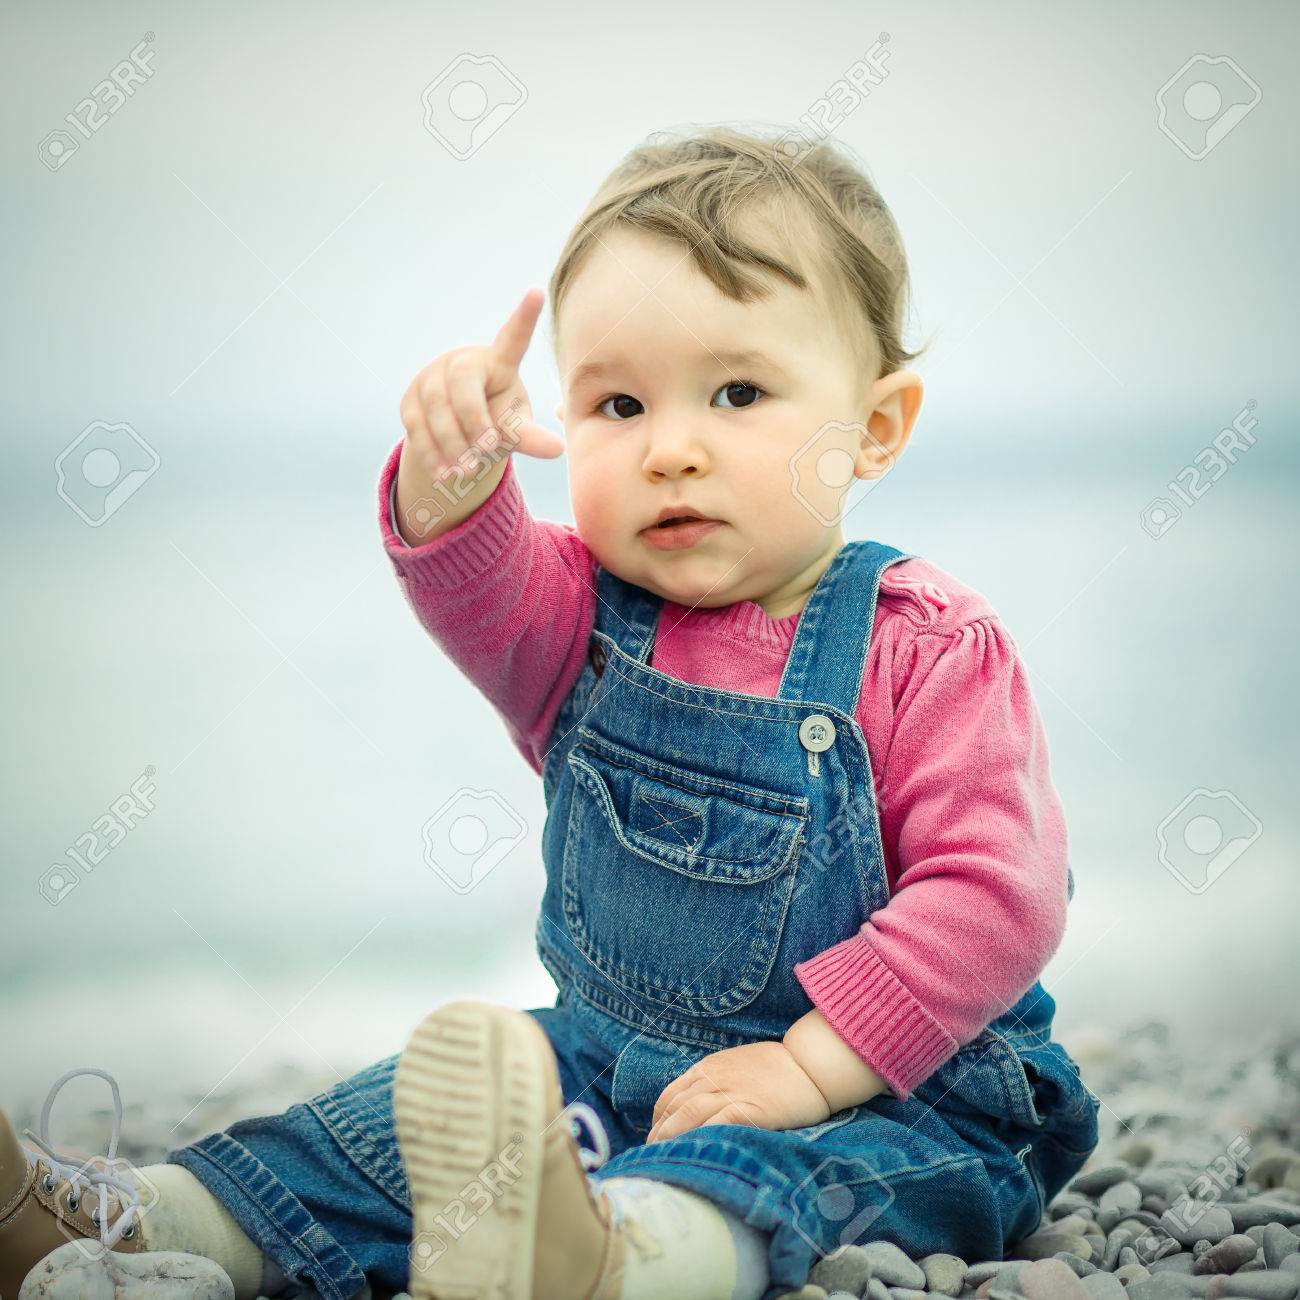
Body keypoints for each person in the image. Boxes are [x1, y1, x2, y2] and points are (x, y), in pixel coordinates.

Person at [0, 125, 1100, 1300]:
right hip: (609, 1062)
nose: (671, 447)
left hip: (903, 1084)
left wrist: (808, 1066)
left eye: (738, 392)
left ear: (874, 426)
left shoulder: (924, 645)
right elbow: (467, 579)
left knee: (796, 1175)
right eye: (617, 403)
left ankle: (615, 1254)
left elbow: (996, 895)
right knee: (383, 1126)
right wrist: (454, 466)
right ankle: (131, 1222)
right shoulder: (581, 619)